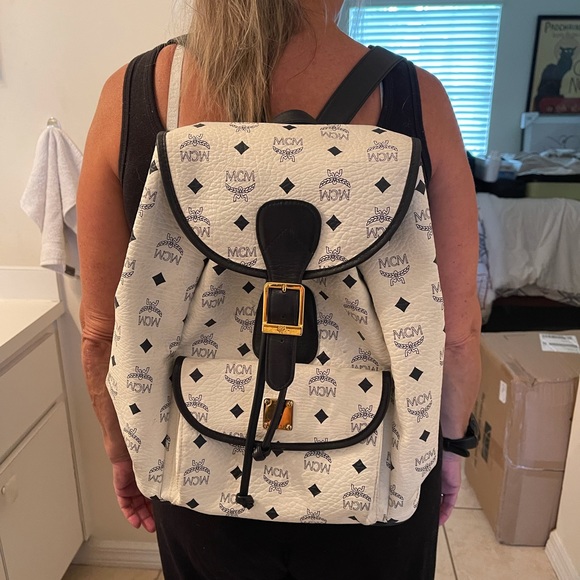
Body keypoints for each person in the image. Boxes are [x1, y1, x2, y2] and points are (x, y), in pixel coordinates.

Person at [77, 1, 481, 578]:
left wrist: (123, 453)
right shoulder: (416, 98)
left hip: (199, 469)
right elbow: (458, 335)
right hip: (376, 472)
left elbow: (100, 333)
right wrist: (450, 448)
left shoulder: (134, 93)